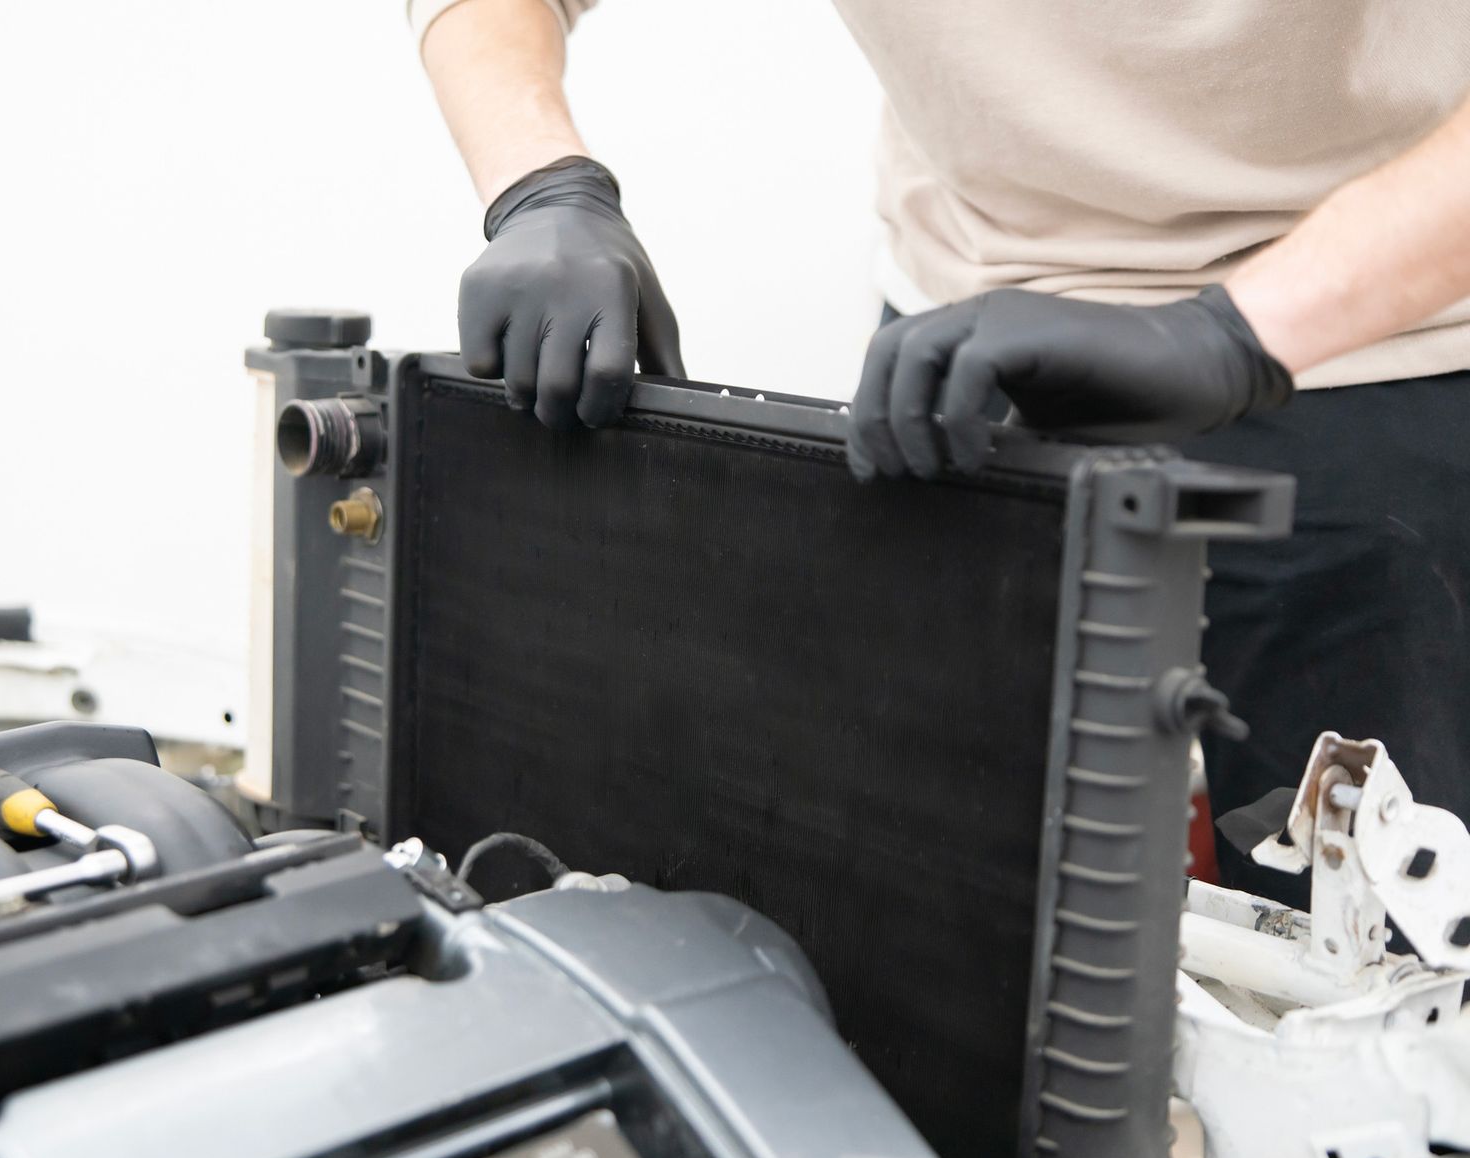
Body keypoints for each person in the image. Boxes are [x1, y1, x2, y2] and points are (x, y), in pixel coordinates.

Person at [408, 0, 1470, 904]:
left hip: (1377, 330)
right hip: (968, 347)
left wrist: (1232, 336)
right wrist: (541, 186)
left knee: (1375, 966)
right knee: (925, 921)